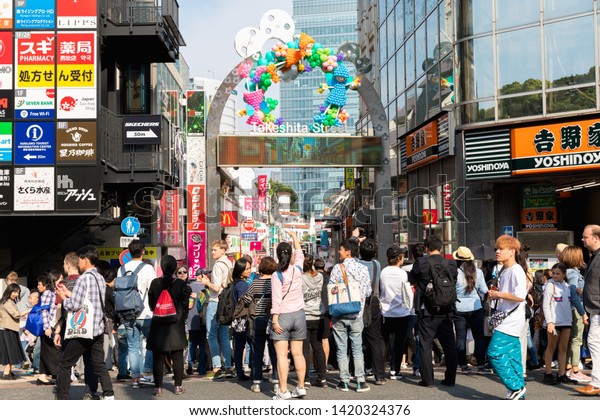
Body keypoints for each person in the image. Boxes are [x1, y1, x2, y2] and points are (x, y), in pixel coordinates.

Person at [54, 245, 115, 400]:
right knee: (98, 364)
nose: (79, 263)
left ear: (85, 260)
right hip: (97, 329)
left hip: (83, 330)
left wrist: (64, 298)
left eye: (80, 259)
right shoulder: (100, 278)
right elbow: (89, 300)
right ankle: (109, 394)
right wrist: (69, 294)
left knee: (65, 363)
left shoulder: (83, 279)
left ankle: (62, 396)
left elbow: (74, 305)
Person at [410, 235, 458, 388]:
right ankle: (450, 378)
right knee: (449, 344)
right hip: (446, 310)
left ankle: (428, 380)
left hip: (428, 310)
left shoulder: (421, 263)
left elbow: (411, 278)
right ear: (441, 248)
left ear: (426, 248)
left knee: (425, 344)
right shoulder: (451, 264)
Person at [486, 235, 527, 400]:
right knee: (512, 355)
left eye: (501, 249)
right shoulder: (504, 269)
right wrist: (496, 295)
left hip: (510, 320)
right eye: (497, 248)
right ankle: (518, 389)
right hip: (508, 318)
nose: (497, 251)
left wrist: (498, 294)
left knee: (494, 352)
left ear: (512, 251)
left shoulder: (516, 270)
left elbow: (520, 295)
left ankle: (515, 387)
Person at [329, 239, 372, 393]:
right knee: (357, 348)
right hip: (356, 313)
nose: (339, 252)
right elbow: (367, 291)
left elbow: (331, 290)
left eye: (340, 249)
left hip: (340, 313)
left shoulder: (336, 269)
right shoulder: (363, 269)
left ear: (348, 251)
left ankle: (344, 381)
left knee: (341, 348)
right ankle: (360, 381)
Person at [147, 255, 191, 397]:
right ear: (174, 268)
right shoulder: (180, 284)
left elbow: (152, 304)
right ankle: (177, 387)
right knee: (177, 356)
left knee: (158, 357)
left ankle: (158, 388)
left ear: (161, 267)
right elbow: (185, 305)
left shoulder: (155, 283)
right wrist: (180, 316)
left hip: (158, 324)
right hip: (175, 325)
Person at [270, 230, 307, 400]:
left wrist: (275, 319)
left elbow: (276, 300)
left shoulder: (277, 275)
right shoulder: (297, 270)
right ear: (291, 255)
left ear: (277, 256)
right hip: (299, 315)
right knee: (298, 354)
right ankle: (300, 387)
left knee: (282, 355)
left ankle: (283, 390)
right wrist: (294, 237)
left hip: (283, 316)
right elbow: (300, 254)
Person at [118, 239, 157, 388]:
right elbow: (153, 289)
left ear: (129, 251)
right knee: (152, 344)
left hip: (127, 313)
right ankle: (147, 373)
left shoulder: (121, 269)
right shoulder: (147, 268)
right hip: (145, 313)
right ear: (143, 251)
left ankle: (135, 378)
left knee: (133, 347)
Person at [242, 256, 278, 393]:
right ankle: (276, 381)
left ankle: (257, 381)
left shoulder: (255, 283)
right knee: (274, 349)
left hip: (258, 319)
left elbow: (246, 299)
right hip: (273, 319)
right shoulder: (276, 282)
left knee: (258, 349)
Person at [451, 246, 489, 374]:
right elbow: (484, 290)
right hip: (476, 307)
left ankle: (463, 365)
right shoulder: (478, 272)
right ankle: (481, 365)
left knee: (460, 337)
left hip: (459, 308)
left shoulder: (455, 272)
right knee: (479, 337)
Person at [541, 263, 578, 385]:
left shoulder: (567, 286)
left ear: (564, 274)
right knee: (551, 347)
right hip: (554, 322)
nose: (555, 275)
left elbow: (570, 304)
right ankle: (548, 374)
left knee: (563, 348)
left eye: (558, 273)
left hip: (566, 321)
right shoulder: (550, 285)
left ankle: (562, 374)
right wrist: (550, 322)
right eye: (553, 273)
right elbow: (546, 304)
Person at [357, 236, 387, 385]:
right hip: (374, 303)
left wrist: (356, 240)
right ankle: (379, 375)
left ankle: (355, 371)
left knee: (356, 338)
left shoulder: (356, 264)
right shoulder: (377, 264)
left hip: (358, 303)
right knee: (374, 339)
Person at [202, 240, 234, 379]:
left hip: (216, 302)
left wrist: (206, 282)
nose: (212, 252)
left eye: (215, 250)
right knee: (225, 335)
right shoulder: (229, 263)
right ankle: (228, 366)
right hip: (227, 303)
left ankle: (216, 367)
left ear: (223, 250)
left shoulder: (218, 265)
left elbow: (216, 288)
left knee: (211, 335)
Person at [379, 244, 412, 381]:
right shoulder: (403, 273)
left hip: (385, 312)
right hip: (402, 312)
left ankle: (380, 370)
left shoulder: (383, 272)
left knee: (384, 342)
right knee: (399, 343)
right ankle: (394, 370)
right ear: (399, 258)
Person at [576, 224, 600, 396]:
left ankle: (597, 382)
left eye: (585, 236)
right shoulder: (594, 256)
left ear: (596, 238)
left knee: (593, 342)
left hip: (598, 309)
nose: (582, 239)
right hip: (594, 308)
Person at [561, 245, 591, 382]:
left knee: (570, 340)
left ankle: (568, 367)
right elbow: (573, 292)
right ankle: (575, 369)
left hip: (568, 310)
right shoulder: (573, 273)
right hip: (576, 309)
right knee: (576, 340)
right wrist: (582, 312)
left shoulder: (566, 272)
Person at [301, 254, 328, 388]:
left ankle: (305, 378)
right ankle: (322, 377)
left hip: (305, 315)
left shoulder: (301, 279)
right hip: (318, 315)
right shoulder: (320, 277)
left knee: (305, 348)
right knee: (318, 347)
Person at [36, 274, 59, 386]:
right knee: (50, 351)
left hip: (50, 326)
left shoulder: (48, 293)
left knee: (48, 351)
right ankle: (45, 375)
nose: (38, 286)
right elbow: (44, 311)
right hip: (49, 326)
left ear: (46, 285)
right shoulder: (47, 294)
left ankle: (44, 376)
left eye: (40, 284)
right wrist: (47, 327)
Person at [0, 283, 27, 379]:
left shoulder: (10, 302)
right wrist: (29, 310)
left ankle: (9, 372)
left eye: (18, 292)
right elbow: (16, 314)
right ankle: (6, 373)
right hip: (7, 329)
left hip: (11, 328)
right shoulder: (6, 302)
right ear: (9, 291)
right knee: (9, 351)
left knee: (11, 351)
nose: (16, 294)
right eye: (14, 292)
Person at [185, 265, 208, 377]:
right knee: (202, 344)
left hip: (190, 321)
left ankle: (189, 365)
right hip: (201, 320)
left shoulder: (188, 286)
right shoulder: (205, 289)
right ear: (201, 276)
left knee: (191, 344)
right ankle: (202, 368)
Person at [231, 258, 252, 381]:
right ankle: (251, 370)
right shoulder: (243, 285)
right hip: (244, 319)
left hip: (236, 319)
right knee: (250, 345)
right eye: (247, 269)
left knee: (239, 346)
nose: (249, 271)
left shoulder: (235, 283)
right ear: (240, 271)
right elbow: (245, 302)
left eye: (250, 268)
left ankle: (239, 371)